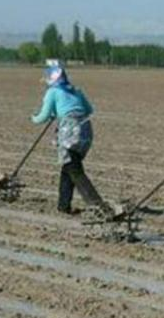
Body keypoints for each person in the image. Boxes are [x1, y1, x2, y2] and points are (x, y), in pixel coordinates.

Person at [31, 61, 122, 219]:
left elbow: (43, 117)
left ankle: (99, 206)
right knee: (68, 168)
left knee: (75, 170)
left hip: (69, 132)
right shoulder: (76, 90)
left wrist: (33, 118)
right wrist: (63, 111)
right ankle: (63, 205)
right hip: (85, 131)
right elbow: (88, 110)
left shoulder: (53, 92)